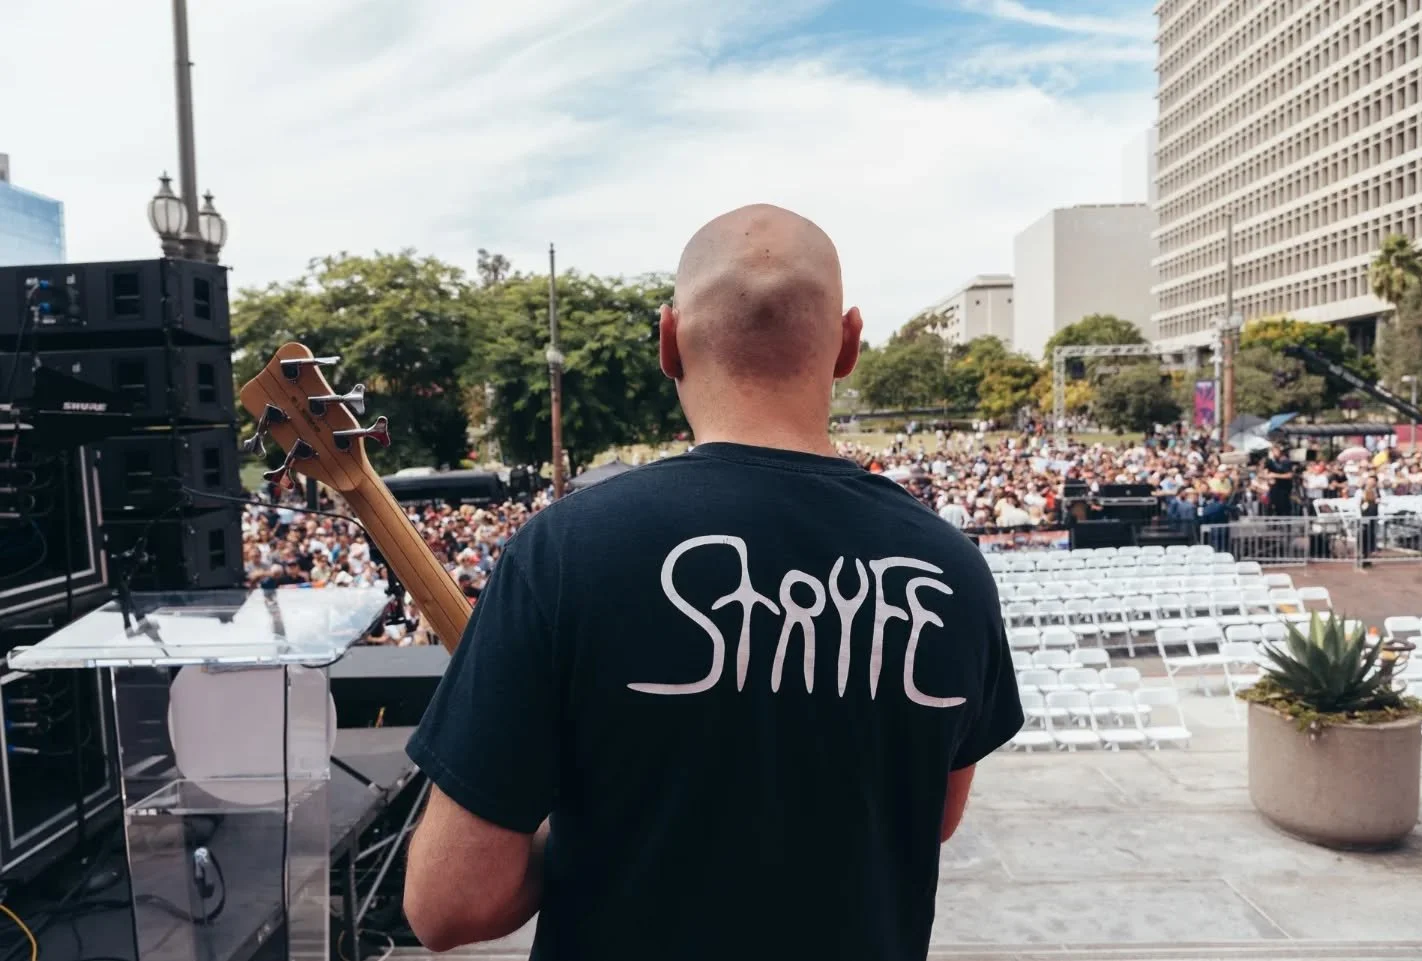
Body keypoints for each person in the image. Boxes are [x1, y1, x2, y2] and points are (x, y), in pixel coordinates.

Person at [401, 204, 1023, 961]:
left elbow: (449, 903)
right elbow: (930, 814)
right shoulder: (950, 567)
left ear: (668, 340)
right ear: (848, 343)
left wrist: (597, 825)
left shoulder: (563, 551)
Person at [1263, 442, 1296, 517]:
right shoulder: (1271, 462)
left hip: (1284, 489)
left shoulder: (1285, 462)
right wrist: (1268, 478)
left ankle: (1287, 525)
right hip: (1275, 488)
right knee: (1273, 506)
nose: (1274, 453)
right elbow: (1266, 473)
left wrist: (1275, 475)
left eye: (1275, 451)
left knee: (1284, 508)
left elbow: (1290, 475)